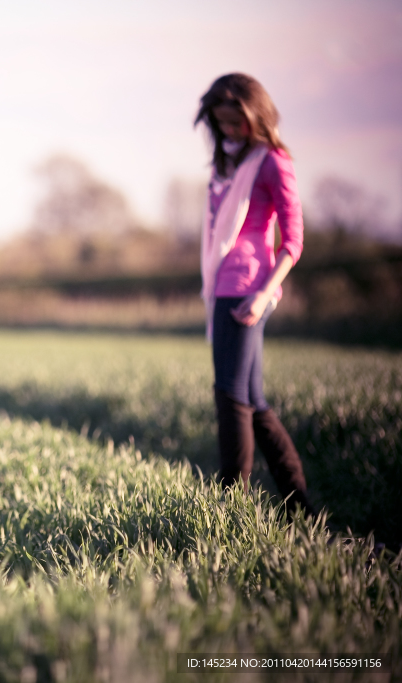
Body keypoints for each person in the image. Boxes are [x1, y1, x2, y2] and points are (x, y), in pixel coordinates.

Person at [196, 73, 316, 518]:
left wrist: (265, 294)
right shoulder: (225, 164)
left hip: (248, 290)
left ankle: (230, 504)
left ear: (256, 117)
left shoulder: (272, 163)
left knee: (230, 396)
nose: (229, 132)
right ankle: (298, 504)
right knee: (252, 400)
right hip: (222, 289)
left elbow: (293, 241)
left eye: (236, 124)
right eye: (221, 124)